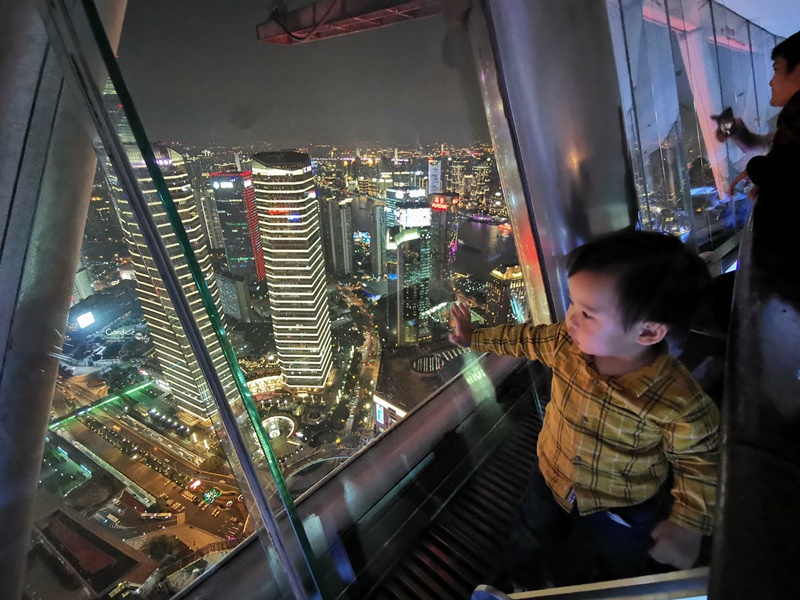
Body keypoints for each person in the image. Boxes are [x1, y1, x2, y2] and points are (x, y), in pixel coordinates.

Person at [449, 230, 719, 590]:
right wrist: (474, 337)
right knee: (528, 538)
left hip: (622, 503)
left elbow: (701, 461)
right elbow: (525, 338)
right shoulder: (565, 343)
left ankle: (615, 586)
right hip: (551, 474)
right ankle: (519, 586)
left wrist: (688, 524)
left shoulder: (677, 399)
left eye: (588, 313)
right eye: (573, 304)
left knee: (624, 560)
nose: (571, 318)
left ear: (649, 332)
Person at [716, 31, 800, 194]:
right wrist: (741, 135)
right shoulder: (791, 121)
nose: (771, 81)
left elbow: (783, 172)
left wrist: (758, 171)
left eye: (776, 69)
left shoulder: (794, 119)